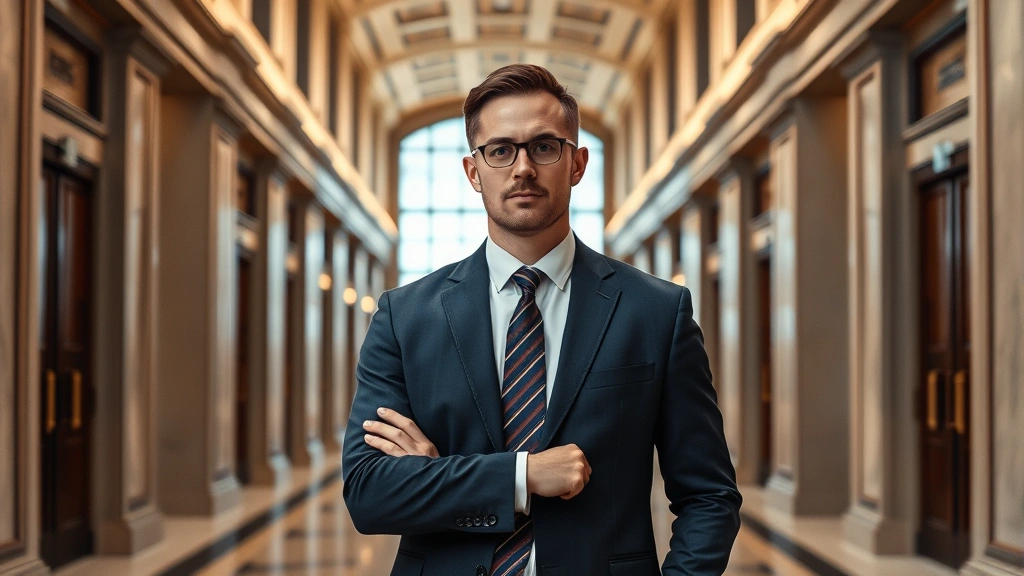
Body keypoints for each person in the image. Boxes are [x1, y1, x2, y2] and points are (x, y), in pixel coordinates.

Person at [342, 64, 741, 576]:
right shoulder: (404, 317)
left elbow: (709, 497)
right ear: (473, 171)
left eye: (544, 147)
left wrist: (438, 475)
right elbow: (369, 494)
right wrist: (522, 475)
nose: (522, 168)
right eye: (501, 150)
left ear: (576, 163)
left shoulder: (656, 313)